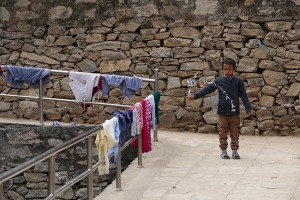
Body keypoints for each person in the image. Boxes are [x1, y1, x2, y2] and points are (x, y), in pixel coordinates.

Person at [186, 58, 251, 159]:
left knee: (235, 131)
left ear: (234, 69)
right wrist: (195, 96)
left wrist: (248, 108)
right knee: (223, 131)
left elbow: (244, 96)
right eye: (225, 69)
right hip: (222, 111)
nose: (227, 71)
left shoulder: (238, 82)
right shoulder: (219, 81)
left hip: (234, 112)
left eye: (229, 69)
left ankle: (235, 151)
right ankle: (223, 151)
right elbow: (207, 90)